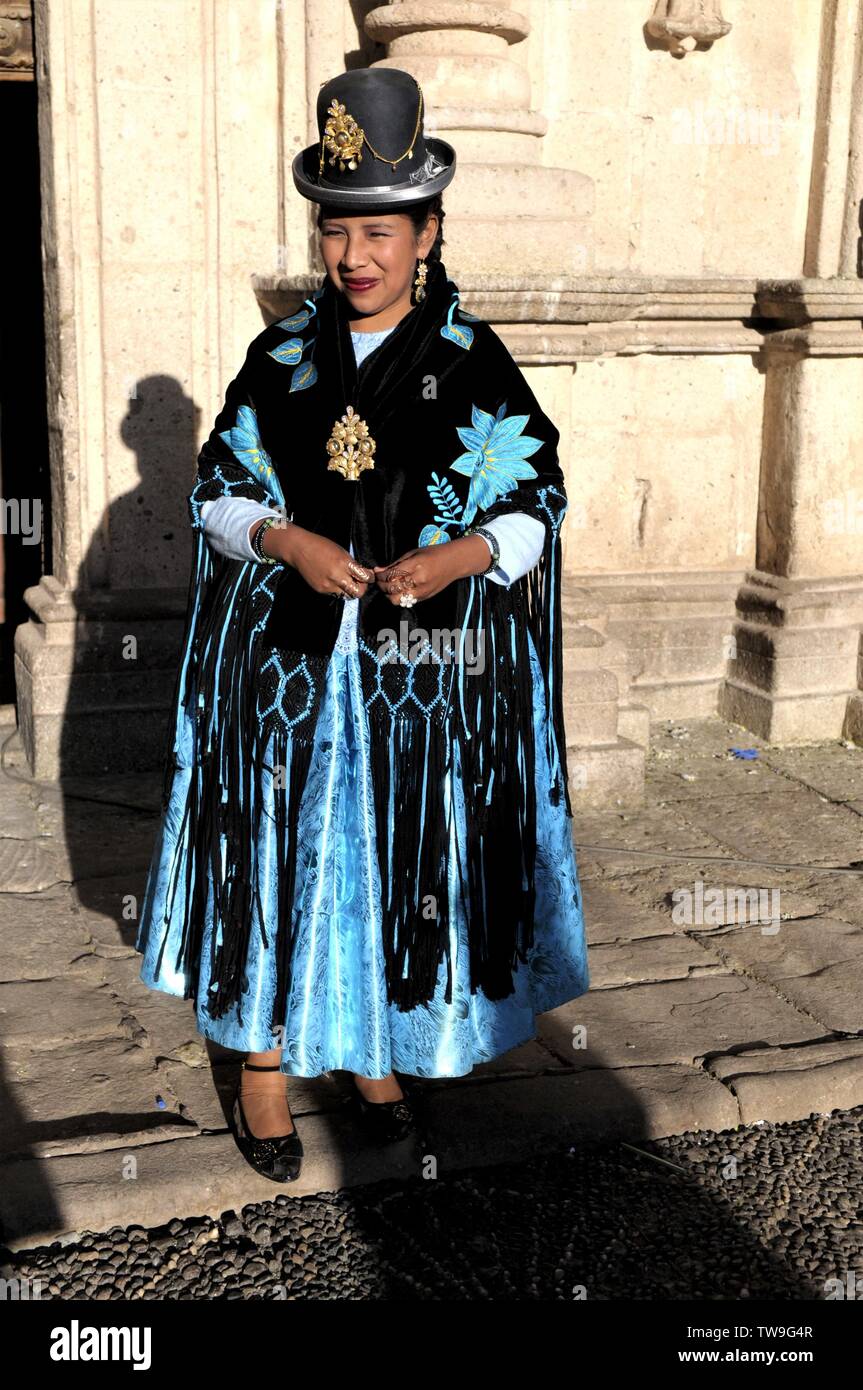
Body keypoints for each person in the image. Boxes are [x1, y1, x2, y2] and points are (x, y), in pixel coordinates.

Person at [135, 66, 589, 1183]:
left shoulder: (471, 363)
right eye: (337, 228)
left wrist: (459, 555)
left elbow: (535, 498)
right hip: (284, 670)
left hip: (418, 675)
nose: (355, 255)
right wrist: (285, 541)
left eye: (380, 229)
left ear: (427, 230)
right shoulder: (280, 359)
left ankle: (372, 1043)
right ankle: (260, 1058)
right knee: (274, 853)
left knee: (395, 863)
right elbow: (215, 494)